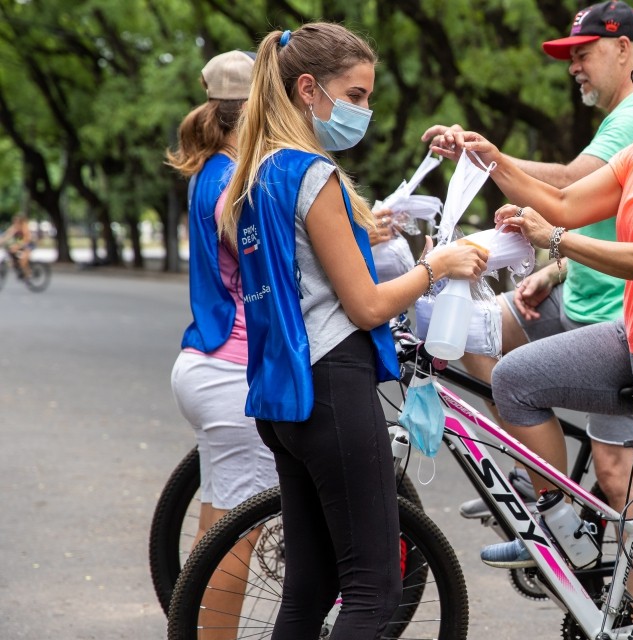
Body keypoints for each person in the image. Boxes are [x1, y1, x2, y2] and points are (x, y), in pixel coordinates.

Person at [430, 12, 633, 640]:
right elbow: (565, 202)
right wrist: (489, 156)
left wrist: (559, 244)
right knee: (516, 380)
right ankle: (554, 519)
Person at [219, 23, 486, 638]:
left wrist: (364, 232)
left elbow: (298, 270)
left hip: (283, 393)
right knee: (373, 589)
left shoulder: (257, 174)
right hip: (333, 384)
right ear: (309, 90)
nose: (365, 111)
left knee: (308, 589)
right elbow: (366, 307)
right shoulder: (315, 174)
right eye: (357, 95)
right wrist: (434, 266)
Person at [423, 0, 633, 522]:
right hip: (579, 293)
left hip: (619, 320)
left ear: (624, 49)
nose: (573, 65)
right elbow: (607, 217)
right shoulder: (620, 118)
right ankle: (537, 476)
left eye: (583, 52)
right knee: (473, 329)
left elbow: (573, 188)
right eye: (569, 55)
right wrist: (556, 269)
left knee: (620, 479)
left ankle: (588, 545)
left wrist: (491, 159)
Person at [164, 49, 274, 638]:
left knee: (216, 527)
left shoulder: (212, 167)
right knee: (236, 540)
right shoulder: (239, 178)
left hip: (205, 362)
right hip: (235, 374)